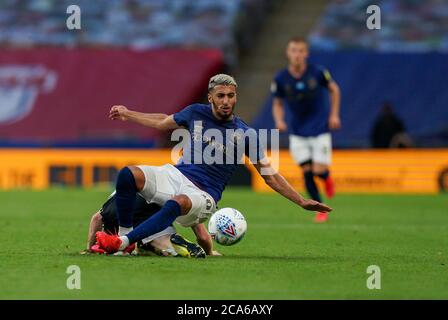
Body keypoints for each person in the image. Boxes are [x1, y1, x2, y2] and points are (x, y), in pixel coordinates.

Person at [95, 74, 332, 254]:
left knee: (178, 202)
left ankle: (122, 241)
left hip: (205, 195)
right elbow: (163, 122)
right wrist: (128, 113)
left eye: (231, 95)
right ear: (211, 98)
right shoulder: (196, 112)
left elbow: (269, 175)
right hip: (177, 175)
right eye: (221, 96)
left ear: (235, 97)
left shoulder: (246, 134)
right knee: (128, 174)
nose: (226, 101)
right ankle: (125, 240)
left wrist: (301, 201)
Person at [271, 38, 341, 223]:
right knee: (306, 171)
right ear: (288, 53)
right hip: (297, 132)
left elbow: (334, 89)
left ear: (306, 53)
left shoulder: (317, 72)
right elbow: (277, 102)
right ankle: (320, 208)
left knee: (318, 170)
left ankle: (326, 177)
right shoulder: (280, 78)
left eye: (301, 51)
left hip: (319, 129)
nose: (297, 54)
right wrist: (279, 120)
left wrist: (334, 115)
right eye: (293, 50)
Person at [85, 192, 211, 258]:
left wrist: (89, 249)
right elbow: (203, 237)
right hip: (144, 215)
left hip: (112, 217)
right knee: (159, 236)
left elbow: (97, 218)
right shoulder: (181, 188)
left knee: (137, 238)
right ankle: (169, 242)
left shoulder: (123, 188)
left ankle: (128, 247)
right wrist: (210, 251)